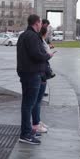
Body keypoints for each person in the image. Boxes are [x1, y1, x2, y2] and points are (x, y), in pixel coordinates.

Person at [17, 14, 53, 145]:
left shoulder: (23, 35)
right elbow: (37, 55)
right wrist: (48, 55)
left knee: (27, 104)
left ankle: (27, 131)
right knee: (28, 105)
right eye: (40, 24)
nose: (40, 26)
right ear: (37, 23)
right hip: (32, 74)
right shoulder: (32, 36)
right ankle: (25, 134)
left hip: (26, 73)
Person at [31, 26, 56, 134]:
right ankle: (35, 124)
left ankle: (37, 121)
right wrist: (49, 55)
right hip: (40, 72)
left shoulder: (40, 40)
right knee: (36, 101)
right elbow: (41, 56)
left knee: (38, 100)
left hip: (42, 71)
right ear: (45, 33)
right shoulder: (38, 41)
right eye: (49, 32)